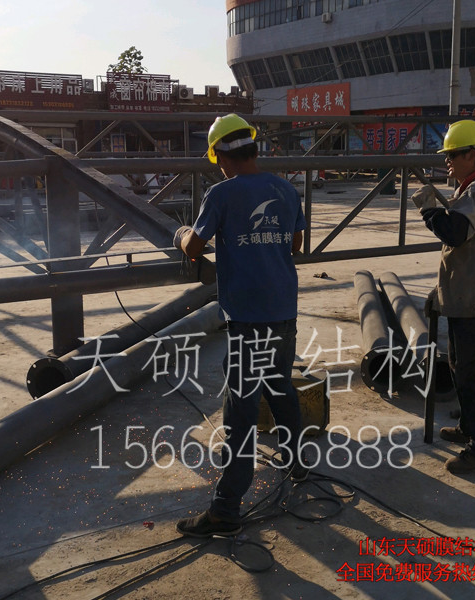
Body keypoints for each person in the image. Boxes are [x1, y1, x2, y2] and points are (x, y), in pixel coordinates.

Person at [173, 114, 307, 536]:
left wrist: (181, 234)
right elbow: (296, 243)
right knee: (281, 388)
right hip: (284, 310)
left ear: (220, 156)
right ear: (251, 147)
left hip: (249, 320)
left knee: (241, 412)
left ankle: (226, 509)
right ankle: (298, 463)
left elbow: (195, 247)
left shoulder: (222, 193)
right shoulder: (285, 189)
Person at [411, 119, 475, 475]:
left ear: (472, 154)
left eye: (452, 155)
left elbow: (455, 233)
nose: (447, 161)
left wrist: (429, 209)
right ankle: (470, 428)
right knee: (462, 370)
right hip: (471, 299)